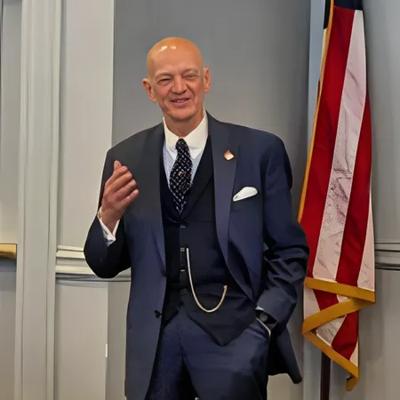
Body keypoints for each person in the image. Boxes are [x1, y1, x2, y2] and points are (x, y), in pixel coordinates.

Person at [84, 36, 308, 400]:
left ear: (206, 79)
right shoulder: (125, 157)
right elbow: (103, 264)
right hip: (155, 347)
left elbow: (289, 250)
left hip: (236, 340)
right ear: (149, 90)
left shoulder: (259, 151)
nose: (179, 88)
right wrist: (107, 216)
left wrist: (264, 323)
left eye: (189, 76)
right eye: (165, 80)